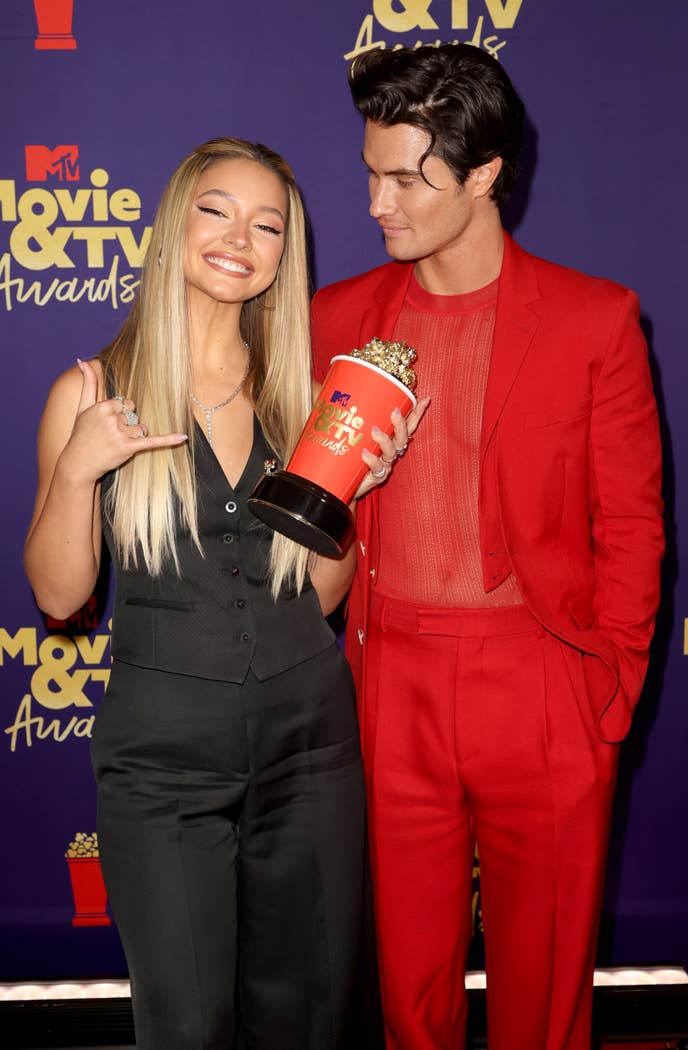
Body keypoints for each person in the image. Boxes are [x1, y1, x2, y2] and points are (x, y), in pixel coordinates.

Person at [312, 46, 664, 1050]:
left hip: (546, 680)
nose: (377, 201)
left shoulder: (595, 321)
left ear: (482, 174)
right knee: (405, 995)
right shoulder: (334, 318)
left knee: (544, 997)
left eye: (405, 179)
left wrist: (608, 689)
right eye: (371, 171)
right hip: (391, 686)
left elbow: (633, 523)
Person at [24, 137, 399, 1050]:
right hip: (162, 768)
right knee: (187, 1024)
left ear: (284, 255)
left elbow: (319, 597)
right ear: (173, 224)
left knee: (309, 1022)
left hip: (311, 753)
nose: (241, 237)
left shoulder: (310, 397)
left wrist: (349, 497)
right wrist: (78, 471)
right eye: (217, 210)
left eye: (268, 224)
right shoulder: (92, 391)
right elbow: (59, 595)